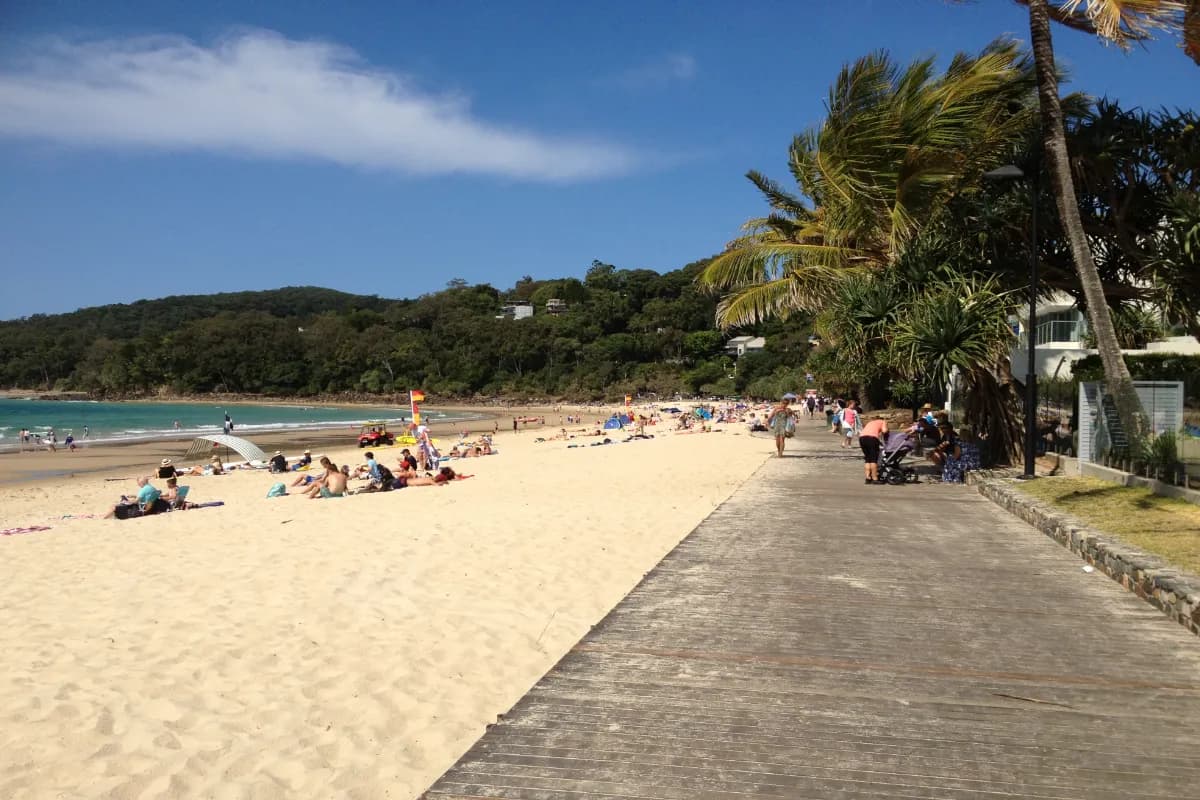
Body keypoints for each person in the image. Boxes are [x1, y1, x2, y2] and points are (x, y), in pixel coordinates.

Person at [858, 414, 889, 484]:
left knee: (867, 459)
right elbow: (884, 431)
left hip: (862, 438)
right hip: (871, 438)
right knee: (873, 459)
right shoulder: (883, 421)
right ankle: (875, 478)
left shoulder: (870, 422)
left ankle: (868, 478)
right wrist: (886, 429)